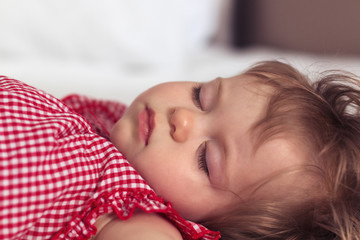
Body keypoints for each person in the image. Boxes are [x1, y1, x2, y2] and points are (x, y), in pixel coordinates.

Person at [1, 60, 359, 240]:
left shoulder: (139, 222)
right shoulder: (107, 122)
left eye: (206, 159)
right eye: (200, 96)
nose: (182, 119)